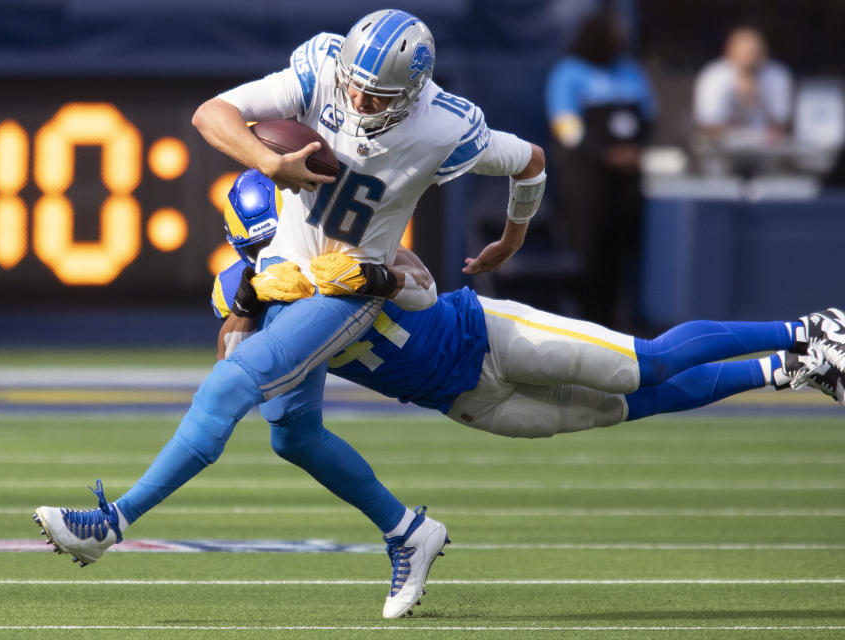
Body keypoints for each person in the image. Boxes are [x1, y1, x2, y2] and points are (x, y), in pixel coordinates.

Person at [32, 9, 546, 620]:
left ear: (412, 92)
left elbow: (531, 160)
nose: (357, 98)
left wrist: (513, 238)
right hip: (294, 272)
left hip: (351, 284)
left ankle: (112, 522)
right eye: (354, 83)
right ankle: (408, 531)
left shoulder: (445, 126)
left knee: (229, 384)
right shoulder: (325, 67)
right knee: (293, 435)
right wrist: (268, 161)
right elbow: (211, 114)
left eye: (375, 93)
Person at [212, 173, 845, 434]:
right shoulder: (243, 293)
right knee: (629, 405)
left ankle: (808, 327)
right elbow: (235, 376)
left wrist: (371, 277)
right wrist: (246, 303)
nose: (280, 258)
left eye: (282, 243)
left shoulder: (345, 240)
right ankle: (793, 370)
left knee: (642, 365)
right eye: (261, 252)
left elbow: (423, 289)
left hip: (482, 336)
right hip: (465, 400)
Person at [545, 10, 656, 331]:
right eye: (613, 34)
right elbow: (566, 127)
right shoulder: (569, 73)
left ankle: (623, 324)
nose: (620, 40)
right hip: (586, 178)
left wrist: (635, 151)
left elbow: (649, 117)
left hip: (629, 178)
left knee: (625, 254)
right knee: (589, 254)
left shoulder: (631, 72)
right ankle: (586, 325)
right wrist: (606, 154)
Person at [694, 27, 793, 147]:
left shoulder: (776, 75)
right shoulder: (714, 76)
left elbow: (781, 125)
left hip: (765, 149)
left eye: (756, 52)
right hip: (722, 148)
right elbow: (708, 125)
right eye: (745, 52)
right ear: (730, 52)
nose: (751, 59)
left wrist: (756, 94)